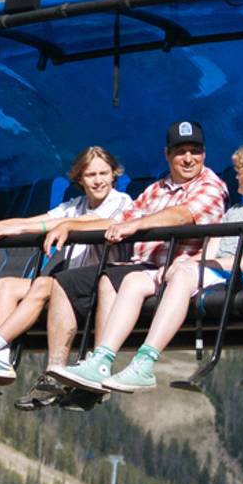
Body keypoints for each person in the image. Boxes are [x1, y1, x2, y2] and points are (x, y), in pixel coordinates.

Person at [96, 141, 243, 394]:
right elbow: (211, 249)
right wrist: (185, 260)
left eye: (239, 170)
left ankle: (144, 362)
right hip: (216, 272)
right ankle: (101, 358)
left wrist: (196, 265)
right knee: (135, 280)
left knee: (184, 274)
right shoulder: (236, 211)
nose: (235, 175)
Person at [51, 118, 231, 394]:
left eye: (194, 151)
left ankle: (115, 362)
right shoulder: (156, 189)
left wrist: (137, 225)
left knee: (117, 280)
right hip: (146, 267)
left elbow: (183, 215)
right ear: (167, 154)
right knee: (67, 281)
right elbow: (121, 220)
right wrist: (71, 224)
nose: (188, 158)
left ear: (204, 154)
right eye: (180, 151)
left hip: (185, 267)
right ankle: (65, 370)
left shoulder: (211, 186)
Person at [0, 146, 132, 387]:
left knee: (42, 284)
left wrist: (58, 226)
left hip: (99, 283)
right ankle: (0, 358)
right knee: (7, 286)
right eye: (91, 175)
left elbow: (97, 222)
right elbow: (33, 221)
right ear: (80, 178)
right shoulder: (75, 205)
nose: (99, 181)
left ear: (113, 175)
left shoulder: (122, 202)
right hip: (68, 284)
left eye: (104, 173)